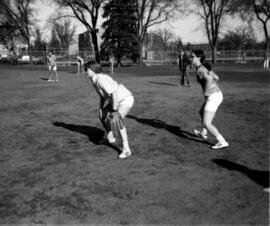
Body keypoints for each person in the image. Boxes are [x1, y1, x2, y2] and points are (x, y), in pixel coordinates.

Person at [84, 60, 134, 159]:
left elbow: (114, 94)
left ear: (93, 70)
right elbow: (103, 96)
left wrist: (115, 112)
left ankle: (126, 149)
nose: (85, 71)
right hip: (115, 100)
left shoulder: (100, 79)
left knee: (117, 119)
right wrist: (101, 108)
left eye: (87, 69)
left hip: (124, 98)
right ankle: (110, 135)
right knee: (102, 115)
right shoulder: (94, 80)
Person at [190, 50, 229, 149]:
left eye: (192, 56)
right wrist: (211, 74)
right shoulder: (203, 67)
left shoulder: (200, 69)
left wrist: (206, 92)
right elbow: (216, 77)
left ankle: (222, 141)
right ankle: (203, 133)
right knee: (201, 112)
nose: (191, 58)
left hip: (213, 96)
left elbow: (209, 79)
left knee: (207, 123)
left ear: (198, 58)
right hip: (216, 94)